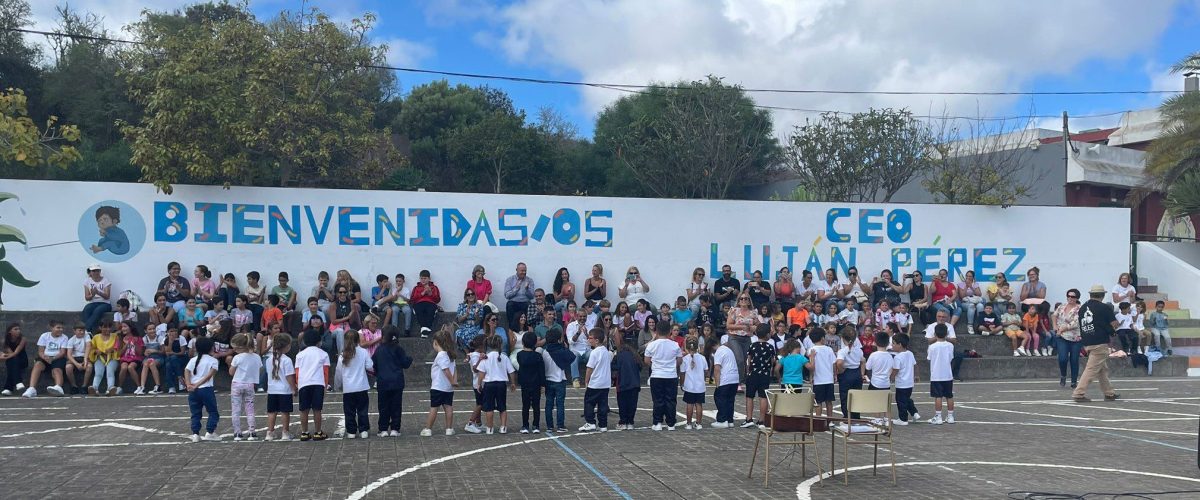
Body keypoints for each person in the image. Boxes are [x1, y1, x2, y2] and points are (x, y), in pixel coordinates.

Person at [1074, 285, 1121, 403]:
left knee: (1102, 369)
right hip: (1100, 341)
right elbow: (1114, 323)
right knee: (1091, 369)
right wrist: (1113, 328)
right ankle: (1079, 393)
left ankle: (1109, 393)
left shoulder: (1083, 308)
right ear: (1103, 295)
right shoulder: (1104, 307)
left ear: (1091, 294)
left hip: (1087, 340)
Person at [374, 324, 414, 437]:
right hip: (397, 382)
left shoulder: (379, 349)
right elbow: (405, 364)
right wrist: (410, 359)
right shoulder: (399, 349)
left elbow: (374, 364)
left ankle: (383, 429)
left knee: (383, 406)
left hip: (383, 382)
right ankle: (395, 429)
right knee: (396, 406)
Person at [336, 329, 374, 439]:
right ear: (358, 339)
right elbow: (369, 366)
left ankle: (351, 431)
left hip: (348, 388)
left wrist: (337, 385)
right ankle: (363, 430)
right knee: (363, 410)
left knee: (349, 411)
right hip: (361, 386)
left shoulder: (342, 355)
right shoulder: (363, 352)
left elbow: (339, 372)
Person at [644, 321, 682, 431]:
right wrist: (670, 365)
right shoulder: (674, 345)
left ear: (657, 331)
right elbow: (679, 360)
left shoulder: (652, 345)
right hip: (671, 375)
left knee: (658, 400)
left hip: (656, 375)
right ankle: (671, 423)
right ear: (669, 331)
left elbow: (646, 360)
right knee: (671, 400)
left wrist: (655, 365)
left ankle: (657, 422)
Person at [421, 326, 457, 437]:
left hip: (438, 387)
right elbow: (454, 370)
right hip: (448, 388)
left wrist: (452, 381)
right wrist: (454, 381)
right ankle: (449, 428)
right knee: (448, 407)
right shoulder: (451, 355)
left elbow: (446, 370)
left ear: (436, 343)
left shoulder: (441, 356)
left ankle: (428, 429)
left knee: (434, 408)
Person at [296, 329, 331, 441]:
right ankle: (317, 432)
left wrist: (298, 384)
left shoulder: (300, 355)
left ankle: (304, 432)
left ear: (304, 341)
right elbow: (325, 372)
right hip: (318, 383)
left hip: (304, 383)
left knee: (304, 409)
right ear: (319, 341)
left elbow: (297, 371)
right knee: (317, 409)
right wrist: (325, 385)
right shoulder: (323, 354)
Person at [477, 334, 516, 435]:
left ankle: (490, 428)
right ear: (501, 344)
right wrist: (513, 383)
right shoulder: (504, 357)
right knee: (502, 406)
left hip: (489, 384)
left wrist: (479, 384)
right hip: (501, 384)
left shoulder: (486, 357)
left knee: (489, 407)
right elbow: (511, 371)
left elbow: (481, 373)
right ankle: (503, 427)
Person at [186, 337, 221, 442]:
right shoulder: (213, 360)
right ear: (210, 348)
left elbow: (186, 371)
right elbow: (208, 376)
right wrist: (196, 385)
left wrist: (189, 384)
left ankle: (195, 434)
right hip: (206, 389)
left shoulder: (193, 360)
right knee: (213, 411)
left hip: (193, 391)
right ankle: (210, 432)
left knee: (195, 413)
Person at [228, 333, 261, 441]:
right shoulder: (256, 357)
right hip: (250, 384)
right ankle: (252, 432)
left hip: (237, 384)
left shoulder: (237, 357)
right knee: (250, 408)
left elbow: (231, 372)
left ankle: (237, 433)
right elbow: (260, 369)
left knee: (236, 409)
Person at [742, 324, 776, 428]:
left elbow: (748, 359)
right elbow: (773, 361)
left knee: (749, 396)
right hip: (765, 374)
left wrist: (748, 371)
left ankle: (749, 418)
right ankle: (762, 420)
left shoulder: (753, 345)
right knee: (763, 397)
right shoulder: (770, 347)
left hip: (753, 373)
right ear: (767, 334)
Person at [579, 328, 612, 432]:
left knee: (589, 402)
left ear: (597, 340)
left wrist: (586, 381)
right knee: (603, 404)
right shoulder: (606, 352)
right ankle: (603, 425)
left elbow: (589, 368)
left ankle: (590, 422)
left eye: (590, 338)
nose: (589, 340)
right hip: (605, 383)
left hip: (595, 383)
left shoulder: (594, 352)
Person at [724, 293, 760, 390]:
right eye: (741, 298)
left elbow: (759, 325)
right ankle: (738, 382)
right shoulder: (734, 311)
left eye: (746, 298)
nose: (743, 300)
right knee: (739, 359)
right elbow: (728, 325)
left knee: (744, 360)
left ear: (749, 301)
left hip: (746, 338)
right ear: (738, 300)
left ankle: (742, 379)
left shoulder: (753, 313)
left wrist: (754, 327)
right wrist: (742, 326)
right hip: (734, 337)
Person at [264, 332, 295, 441]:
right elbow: (289, 376)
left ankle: (270, 432)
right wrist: (293, 388)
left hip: (272, 390)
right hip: (284, 390)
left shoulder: (268, 360)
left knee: (272, 412)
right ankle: (285, 433)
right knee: (285, 412)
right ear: (286, 346)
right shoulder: (287, 360)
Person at [542, 330, 573, 432]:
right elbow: (571, 357)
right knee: (560, 404)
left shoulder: (545, 352)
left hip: (548, 380)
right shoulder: (561, 351)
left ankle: (549, 426)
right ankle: (560, 425)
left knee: (549, 404)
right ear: (559, 339)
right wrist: (565, 347)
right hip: (560, 380)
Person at [1053, 290, 1083, 388]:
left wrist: (1062, 329)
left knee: (1074, 359)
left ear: (1077, 298)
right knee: (1062, 359)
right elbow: (1054, 315)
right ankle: (1063, 375)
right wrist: (1054, 326)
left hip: (1075, 338)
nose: (1070, 298)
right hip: (1062, 337)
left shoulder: (1080, 309)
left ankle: (1074, 381)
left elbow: (1076, 323)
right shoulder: (1061, 306)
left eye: (1073, 297)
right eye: (1068, 296)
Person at [516, 332, 545, 434]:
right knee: (536, 405)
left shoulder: (519, 355)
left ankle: (525, 425)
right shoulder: (538, 356)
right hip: (536, 383)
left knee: (525, 405)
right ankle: (536, 425)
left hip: (525, 383)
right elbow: (541, 371)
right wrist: (543, 384)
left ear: (523, 342)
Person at [927, 324, 956, 425]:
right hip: (947, 375)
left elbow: (929, 358)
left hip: (936, 375)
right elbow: (951, 357)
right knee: (949, 395)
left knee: (938, 396)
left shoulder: (932, 347)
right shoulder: (950, 345)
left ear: (935, 334)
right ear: (947, 334)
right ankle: (951, 416)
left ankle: (938, 416)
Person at [889, 333, 920, 425]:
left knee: (901, 401)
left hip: (901, 384)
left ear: (900, 345)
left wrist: (892, 377)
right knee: (906, 399)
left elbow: (896, 370)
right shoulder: (910, 353)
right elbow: (915, 365)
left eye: (894, 343)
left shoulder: (898, 357)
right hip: (909, 383)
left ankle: (903, 419)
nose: (892, 345)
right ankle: (914, 412)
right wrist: (916, 375)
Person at [710, 335, 739, 428]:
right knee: (730, 400)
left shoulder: (719, 352)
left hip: (725, 378)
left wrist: (717, 383)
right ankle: (730, 420)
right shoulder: (728, 349)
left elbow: (717, 369)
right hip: (734, 378)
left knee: (719, 397)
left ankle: (722, 420)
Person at [834, 325, 864, 419]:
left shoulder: (842, 351)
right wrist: (862, 373)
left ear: (842, 338)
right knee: (857, 395)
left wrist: (841, 370)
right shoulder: (858, 350)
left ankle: (847, 416)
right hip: (856, 372)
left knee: (845, 396)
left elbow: (839, 362)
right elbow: (863, 361)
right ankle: (856, 416)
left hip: (846, 373)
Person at [806, 330, 836, 418]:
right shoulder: (829, 349)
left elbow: (811, 365)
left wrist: (811, 376)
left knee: (818, 402)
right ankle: (830, 420)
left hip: (818, 380)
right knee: (829, 401)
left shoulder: (811, 350)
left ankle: (818, 420)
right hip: (828, 379)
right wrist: (834, 375)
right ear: (823, 338)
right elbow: (833, 363)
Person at [680, 337, 707, 430]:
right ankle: (699, 423)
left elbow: (682, 373)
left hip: (689, 386)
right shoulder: (702, 358)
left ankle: (688, 423)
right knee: (699, 404)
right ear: (697, 347)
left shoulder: (685, 359)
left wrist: (682, 384)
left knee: (689, 404)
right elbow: (706, 371)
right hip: (700, 386)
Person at [613, 341, 641, 431]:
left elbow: (613, 367)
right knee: (632, 404)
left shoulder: (619, 355)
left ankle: (623, 422)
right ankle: (630, 422)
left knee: (622, 404)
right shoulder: (635, 357)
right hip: (635, 383)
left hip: (622, 383)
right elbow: (640, 367)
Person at [87, 320, 119, 396]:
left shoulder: (115, 336)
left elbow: (118, 347)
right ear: (100, 328)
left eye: (109, 327)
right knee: (98, 373)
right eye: (105, 327)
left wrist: (112, 349)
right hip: (100, 358)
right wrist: (96, 351)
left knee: (110, 372)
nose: (107, 329)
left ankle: (110, 388)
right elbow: (92, 349)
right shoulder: (96, 337)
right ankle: (94, 388)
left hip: (112, 358)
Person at [463, 337, 487, 434]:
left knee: (479, 403)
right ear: (481, 346)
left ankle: (478, 423)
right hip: (478, 383)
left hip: (479, 383)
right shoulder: (475, 356)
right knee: (480, 404)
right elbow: (475, 369)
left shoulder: (473, 354)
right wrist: (480, 359)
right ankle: (470, 423)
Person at [504, 263, 536, 334]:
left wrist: (527, 289)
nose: (524, 272)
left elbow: (532, 297)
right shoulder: (510, 280)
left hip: (525, 302)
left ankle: (526, 330)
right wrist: (516, 288)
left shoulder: (529, 280)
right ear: (516, 270)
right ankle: (511, 330)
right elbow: (507, 295)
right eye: (522, 271)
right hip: (513, 302)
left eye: (525, 271)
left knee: (529, 305)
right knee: (509, 304)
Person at [114, 322, 143, 396]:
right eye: (122, 327)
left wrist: (134, 342)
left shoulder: (138, 338)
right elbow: (119, 354)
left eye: (125, 326)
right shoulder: (120, 339)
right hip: (124, 358)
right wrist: (126, 345)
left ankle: (139, 387)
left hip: (136, 358)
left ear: (130, 328)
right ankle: (119, 387)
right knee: (124, 367)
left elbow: (140, 353)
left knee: (130, 367)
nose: (123, 328)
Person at [136, 323, 165, 395]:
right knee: (145, 364)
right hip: (148, 358)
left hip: (158, 357)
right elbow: (143, 352)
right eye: (150, 329)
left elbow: (163, 352)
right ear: (145, 331)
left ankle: (158, 386)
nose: (152, 331)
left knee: (152, 364)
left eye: (153, 329)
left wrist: (154, 351)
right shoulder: (144, 339)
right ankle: (142, 387)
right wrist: (145, 353)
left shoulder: (160, 338)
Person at [82, 264, 113, 332]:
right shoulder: (87, 281)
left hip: (105, 303)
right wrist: (93, 295)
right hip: (93, 303)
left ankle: (85, 331)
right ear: (90, 272)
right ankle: (90, 332)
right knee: (87, 309)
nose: (96, 273)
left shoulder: (105, 280)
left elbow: (107, 296)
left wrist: (98, 292)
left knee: (98, 310)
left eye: (97, 271)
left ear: (100, 271)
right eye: (93, 271)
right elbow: (87, 298)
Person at [411, 270, 442, 337]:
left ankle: (424, 330)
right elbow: (412, 299)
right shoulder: (416, 288)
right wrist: (423, 293)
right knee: (419, 309)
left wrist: (430, 294)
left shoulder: (434, 287)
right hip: (419, 303)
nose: (423, 280)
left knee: (431, 310)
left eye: (425, 278)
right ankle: (426, 329)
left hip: (430, 303)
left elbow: (437, 300)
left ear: (429, 279)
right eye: (421, 278)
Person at [64, 323, 91, 395]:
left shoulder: (87, 336)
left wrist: (85, 360)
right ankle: (74, 386)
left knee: (89, 367)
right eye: (79, 330)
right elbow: (69, 355)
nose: (82, 332)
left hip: (85, 356)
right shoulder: (71, 340)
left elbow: (88, 347)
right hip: (74, 358)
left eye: (83, 330)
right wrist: (77, 364)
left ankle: (84, 386)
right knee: (68, 367)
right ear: (74, 331)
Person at [1, 323, 27, 396]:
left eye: (19, 329)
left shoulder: (23, 339)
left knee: (12, 360)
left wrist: (4, 357)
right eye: (15, 329)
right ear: (10, 331)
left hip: (23, 360)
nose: (18, 331)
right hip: (13, 360)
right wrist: (5, 356)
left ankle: (10, 387)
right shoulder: (5, 341)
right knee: (12, 361)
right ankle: (16, 384)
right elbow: (11, 353)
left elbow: (16, 353)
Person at [566, 312, 590, 388]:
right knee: (573, 355)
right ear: (576, 316)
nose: (582, 318)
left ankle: (592, 379)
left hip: (586, 350)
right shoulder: (571, 326)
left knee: (594, 354)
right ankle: (575, 379)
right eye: (580, 316)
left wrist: (586, 334)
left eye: (584, 316)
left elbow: (593, 342)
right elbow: (570, 342)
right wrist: (578, 333)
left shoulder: (590, 325)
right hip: (575, 350)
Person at [164, 326, 187, 394]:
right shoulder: (165, 339)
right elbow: (167, 353)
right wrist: (170, 341)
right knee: (169, 363)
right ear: (167, 332)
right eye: (171, 331)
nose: (173, 333)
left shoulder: (181, 338)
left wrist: (173, 353)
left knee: (171, 361)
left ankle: (173, 385)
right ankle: (179, 379)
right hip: (170, 358)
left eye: (175, 331)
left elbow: (182, 352)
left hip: (181, 357)